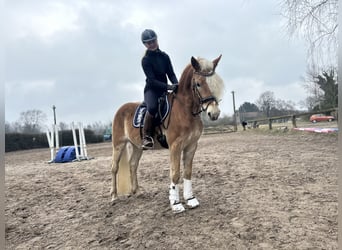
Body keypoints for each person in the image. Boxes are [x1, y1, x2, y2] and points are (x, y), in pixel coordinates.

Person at [140, 29, 179, 149]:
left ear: (157, 40)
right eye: (149, 43)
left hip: (164, 89)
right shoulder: (145, 60)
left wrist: (177, 84)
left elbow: (171, 73)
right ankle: (146, 136)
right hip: (152, 90)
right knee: (152, 107)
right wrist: (168, 87)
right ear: (145, 44)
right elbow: (151, 80)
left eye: (153, 41)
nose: (152, 44)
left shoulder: (165, 56)